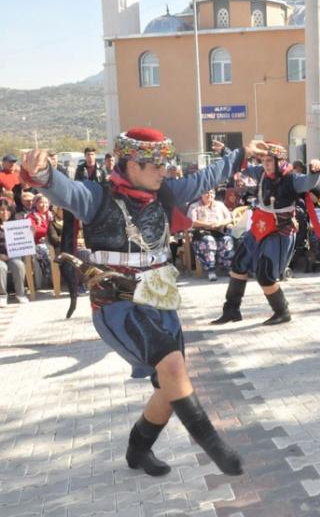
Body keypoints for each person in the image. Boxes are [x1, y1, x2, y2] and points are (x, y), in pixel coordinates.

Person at [19, 128, 250, 477]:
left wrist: (242, 152)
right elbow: (64, 190)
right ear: (130, 164)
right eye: (154, 165)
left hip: (160, 297)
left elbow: (208, 176)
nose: (163, 171)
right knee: (173, 369)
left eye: (165, 164)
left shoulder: (166, 191)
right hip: (118, 301)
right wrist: (41, 174)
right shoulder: (96, 197)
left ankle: (138, 449)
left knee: (168, 387)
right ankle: (216, 447)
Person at [211, 142, 320, 326]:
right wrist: (225, 151)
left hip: (279, 231)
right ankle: (231, 310)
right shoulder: (261, 173)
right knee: (238, 264)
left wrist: (315, 170)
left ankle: (282, 311)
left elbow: (309, 182)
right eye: (263, 160)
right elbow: (242, 166)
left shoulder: (292, 178)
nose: (266, 164)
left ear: (280, 160)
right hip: (259, 226)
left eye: (269, 160)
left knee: (265, 274)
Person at [187, 190, 234, 281]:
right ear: (201, 195)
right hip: (202, 233)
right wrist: (207, 225)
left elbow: (229, 218)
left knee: (227, 239)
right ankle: (210, 270)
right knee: (209, 240)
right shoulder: (194, 206)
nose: (209, 195)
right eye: (207, 193)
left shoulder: (220, 205)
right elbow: (192, 222)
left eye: (212, 193)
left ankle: (227, 267)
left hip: (218, 231)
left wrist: (220, 223)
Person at [0, 201, 27, 306]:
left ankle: (20, 294)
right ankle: (2, 296)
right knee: (1, 267)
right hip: (0, 257)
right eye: (2, 210)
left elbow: (25, 240)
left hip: (13, 255)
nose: (5, 212)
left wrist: (30, 232)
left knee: (18, 265)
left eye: (7, 210)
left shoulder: (16, 224)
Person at [27, 194, 53, 289]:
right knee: (45, 250)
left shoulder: (50, 215)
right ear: (35, 204)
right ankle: (50, 279)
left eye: (46, 202)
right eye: (41, 202)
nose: (44, 205)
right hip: (36, 244)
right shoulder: (31, 216)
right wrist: (45, 234)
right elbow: (33, 231)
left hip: (51, 242)